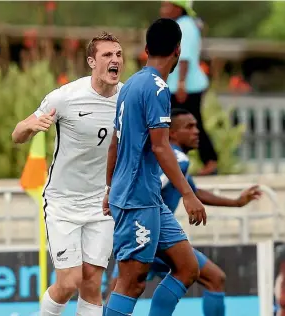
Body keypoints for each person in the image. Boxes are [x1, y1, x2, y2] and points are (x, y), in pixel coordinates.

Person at [108, 108, 262, 315]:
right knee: (212, 278)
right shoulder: (177, 158)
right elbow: (153, 184)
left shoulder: (172, 160)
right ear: (171, 133)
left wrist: (236, 202)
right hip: (147, 230)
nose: (196, 131)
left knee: (120, 291)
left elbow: (194, 191)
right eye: (189, 127)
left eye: (196, 126)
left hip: (146, 230)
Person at [12, 32, 124, 316]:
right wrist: (31, 127)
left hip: (101, 203)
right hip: (63, 202)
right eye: (107, 55)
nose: (115, 60)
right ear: (91, 61)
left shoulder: (127, 98)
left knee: (92, 282)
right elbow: (17, 134)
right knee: (69, 282)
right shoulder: (65, 97)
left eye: (118, 55)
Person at [102, 18, 207, 316]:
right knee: (131, 282)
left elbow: (115, 142)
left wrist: (110, 187)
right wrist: (188, 194)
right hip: (137, 199)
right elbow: (161, 146)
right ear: (178, 50)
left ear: (147, 49)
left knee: (187, 267)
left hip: (147, 197)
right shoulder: (158, 89)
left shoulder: (131, 84)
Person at [160, 0, 218, 176]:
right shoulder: (180, 25)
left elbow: (184, 58)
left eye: (166, 6)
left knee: (190, 123)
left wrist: (181, 84)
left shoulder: (184, 26)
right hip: (178, 85)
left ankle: (210, 161)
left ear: (178, 8)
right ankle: (189, 161)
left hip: (186, 87)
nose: (162, 9)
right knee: (175, 123)